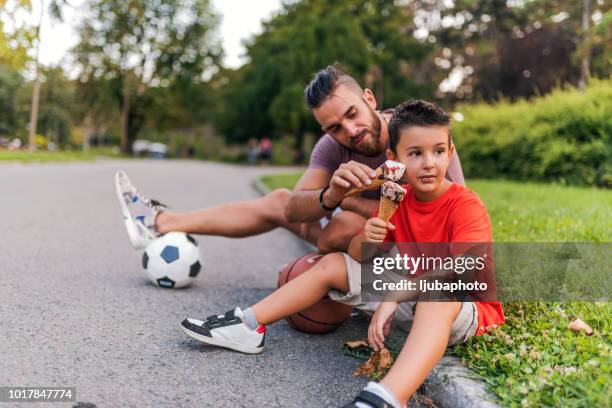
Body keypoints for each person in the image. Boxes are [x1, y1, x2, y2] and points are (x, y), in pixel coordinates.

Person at [179, 100, 504, 408]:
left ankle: (389, 395)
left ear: (450, 153)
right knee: (334, 263)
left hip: (464, 306)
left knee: (437, 299)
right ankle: (249, 325)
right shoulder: (398, 199)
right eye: (415, 153)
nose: (429, 163)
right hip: (411, 294)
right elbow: (357, 256)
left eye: (437, 152)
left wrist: (393, 297)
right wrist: (368, 237)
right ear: (395, 159)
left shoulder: (465, 204)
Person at [114, 65, 464, 254]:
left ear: (370, 99)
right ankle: (161, 221)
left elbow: (454, 215)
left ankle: (324, 276)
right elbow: (294, 210)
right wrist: (330, 196)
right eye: (335, 127)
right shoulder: (331, 147)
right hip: (361, 237)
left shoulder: (418, 134)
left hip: (408, 246)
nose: (350, 130)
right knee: (282, 200)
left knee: (344, 225)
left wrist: (354, 206)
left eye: (353, 113)